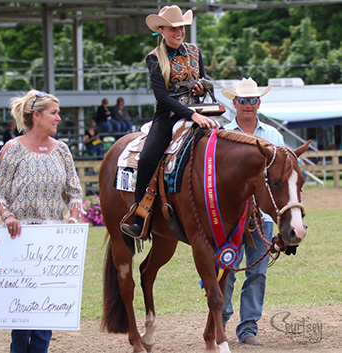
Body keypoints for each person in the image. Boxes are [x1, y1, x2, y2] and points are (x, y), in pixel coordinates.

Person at [0, 89, 84, 353]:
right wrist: (7, 216)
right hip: (20, 242)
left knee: (46, 315)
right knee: (22, 314)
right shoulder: (13, 149)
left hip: (52, 244)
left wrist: (73, 221)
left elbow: (74, 191)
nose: (59, 118)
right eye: (54, 113)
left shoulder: (62, 150)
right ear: (37, 116)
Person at [121, 5, 217, 238]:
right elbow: (161, 97)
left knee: (223, 144)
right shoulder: (154, 58)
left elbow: (205, 78)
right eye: (173, 28)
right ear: (162, 31)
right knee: (147, 158)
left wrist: (203, 85)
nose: (179, 32)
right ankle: (139, 215)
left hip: (198, 110)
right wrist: (191, 115)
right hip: (169, 116)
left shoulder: (194, 51)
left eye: (181, 28)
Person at [221, 77, 285, 346]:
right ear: (234, 103)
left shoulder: (273, 135)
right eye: (243, 100)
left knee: (257, 272)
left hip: (264, 217)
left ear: (259, 102)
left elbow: (284, 174)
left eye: (253, 100)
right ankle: (219, 323)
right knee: (227, 269)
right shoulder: (222, 134)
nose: (248, 105)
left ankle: (248, 329)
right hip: (230, 217)